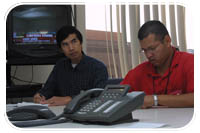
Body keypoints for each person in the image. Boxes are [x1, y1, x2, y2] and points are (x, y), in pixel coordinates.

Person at [120, 20, 194, 108]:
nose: (148, 55)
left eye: (152, 48)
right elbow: (117, 97)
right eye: (144, 50)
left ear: (167, 41)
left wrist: (154, 100)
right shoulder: (139, 72)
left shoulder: (190, 62)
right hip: (148, 121)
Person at [33, 25, 108, 106]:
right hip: (59, 114)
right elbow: (47, 90)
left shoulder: (98, 68)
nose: (71, 48)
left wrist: (70, 99)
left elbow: (99, 97)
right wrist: (39, 96)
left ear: (81, 43)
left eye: (74, 41)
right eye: (65, 44)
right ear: (61, 49)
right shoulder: (60, 66)